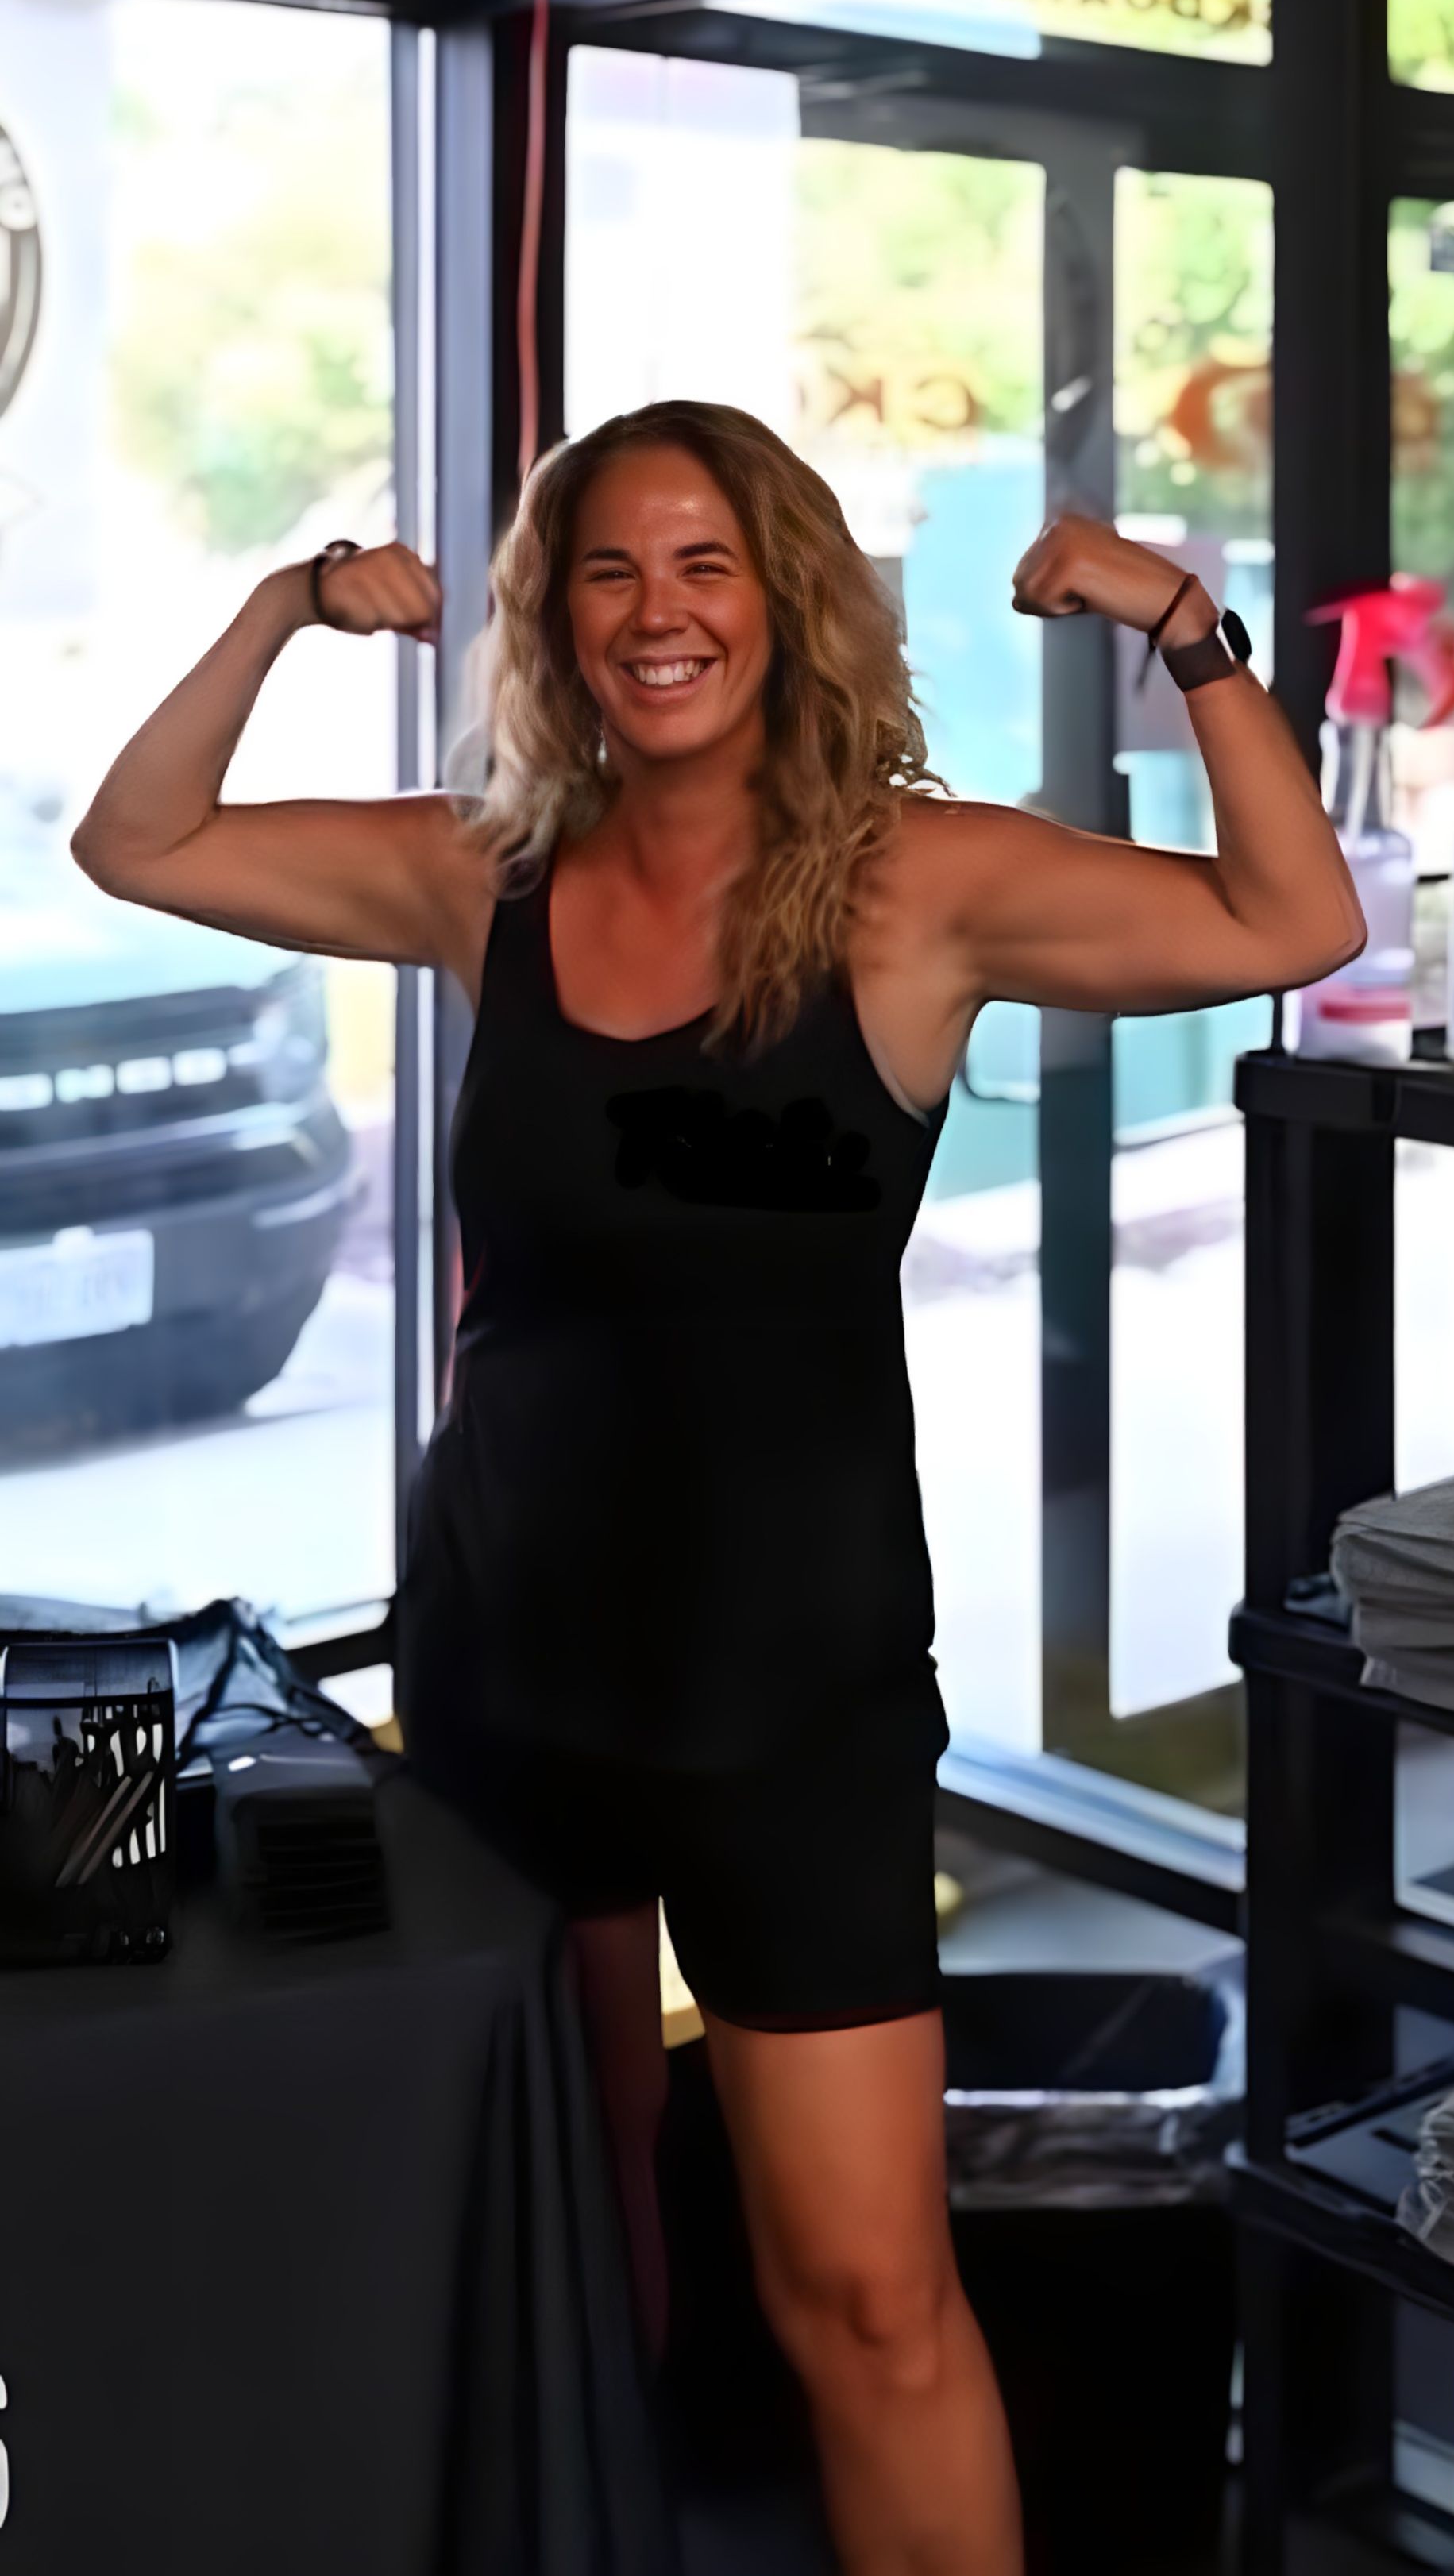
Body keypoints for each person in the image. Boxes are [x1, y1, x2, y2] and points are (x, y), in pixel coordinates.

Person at [71, 397, 1363, 2575]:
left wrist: (1183, 627)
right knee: (585, 2242)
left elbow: (1291, 912)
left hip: (795, 1705)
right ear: (556, 622)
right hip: (512, 1668)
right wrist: (288, 605)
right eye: (608, 572)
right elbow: (141, 837)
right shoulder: (481, 869)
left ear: (784, 603)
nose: (657, 613)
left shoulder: (913, 880)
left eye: (703, 567)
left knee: (868, 2300)